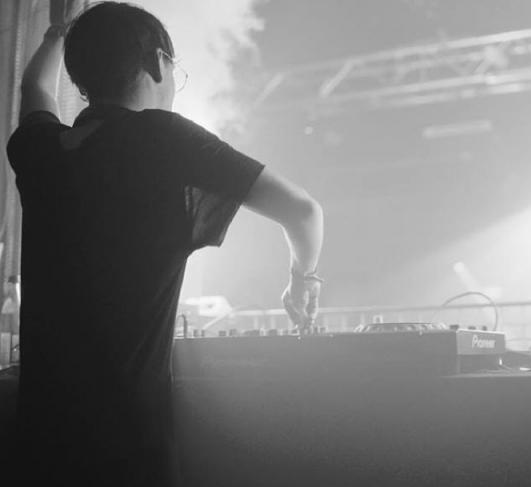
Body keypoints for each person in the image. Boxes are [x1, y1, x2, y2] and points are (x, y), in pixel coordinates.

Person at [5, 2, 324, 486]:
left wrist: (55, 33)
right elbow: (303, 211)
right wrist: (303, 278)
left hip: (40, 441)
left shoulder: (39, 151)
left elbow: (34, 90)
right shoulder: (167, 140)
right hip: (127, 444)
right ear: (158, 61)